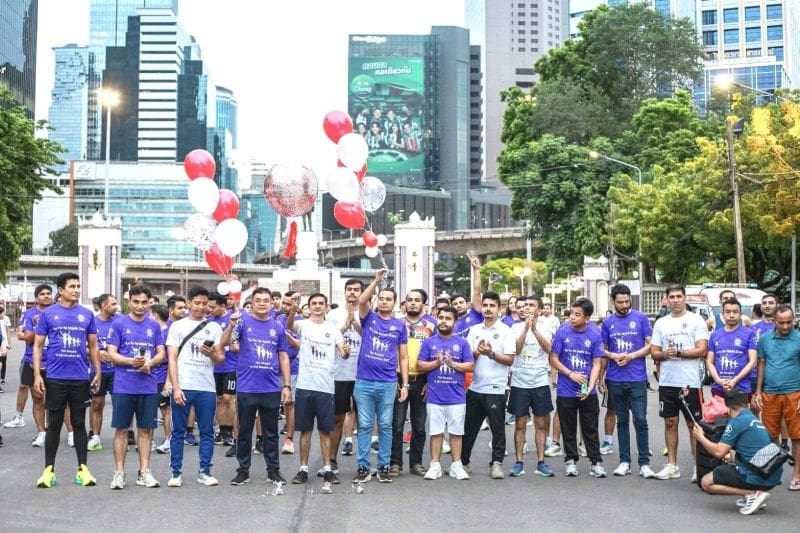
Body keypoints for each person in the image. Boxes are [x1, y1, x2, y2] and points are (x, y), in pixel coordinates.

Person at [33, 272, 101, 488]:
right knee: (53, 424)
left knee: (79, 424)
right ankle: (48, 471)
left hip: (80, 377)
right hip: (55, 377)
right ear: (61, 290)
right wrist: (37, 375)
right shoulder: (48, 314)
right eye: (72, 286)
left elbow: (93, 345)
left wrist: (97, 371)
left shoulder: (86, 314)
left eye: (78, 286)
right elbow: (37, 345)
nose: (76, 290)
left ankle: (83, 470)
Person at [286, 293, 349, 493]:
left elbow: (343, 352)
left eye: (321, 303)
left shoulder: (333, 329)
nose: (317, 306)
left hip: (325, 388)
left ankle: (328, 468)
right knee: (305, 430)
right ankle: (303, 469)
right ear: (309, 306)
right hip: (305, 386)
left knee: (325, 431)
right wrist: (292, 310)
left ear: (326, 307)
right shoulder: (303, 325)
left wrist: (346, 351)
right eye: (314, 303)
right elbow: (290, 326)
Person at [229, 287, 291, 487]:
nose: (262, 304)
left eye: (266, 300)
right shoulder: (242, 322)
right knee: (244, 431)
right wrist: (234, 341)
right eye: (258, 300)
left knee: (271, 433)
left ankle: (273, 470)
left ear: (272, 303)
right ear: (252, 303)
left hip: (271, 388)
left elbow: (283, 356)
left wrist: (287, 385)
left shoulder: (277, 327)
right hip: (247, 387)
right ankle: (243, 470)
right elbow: (233, 345)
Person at [352, 268, 409, 484]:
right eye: (382, 299)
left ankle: (384, 466)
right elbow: (362, 300)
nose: (384, 302)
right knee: (365, 425)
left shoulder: (399, 326)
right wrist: (376, 281)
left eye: (389, 299)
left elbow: (403, 356)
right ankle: (363, 466)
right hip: (364, 382)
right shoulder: (369, 318)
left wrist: (405, 385)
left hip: (388, 383)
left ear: (395, 303)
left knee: (385, 425)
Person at [165, 286, 225, 487]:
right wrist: (176, 387)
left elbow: (220, 359)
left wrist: (211, 354)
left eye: (205, 304)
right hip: (184, 385)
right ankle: (176, 472)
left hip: (206, 387)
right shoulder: (177, 326)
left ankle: (205, 471)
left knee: (207, 431)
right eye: (197, 303)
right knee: (178, 431)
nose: (201, 307)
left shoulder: (214, 327)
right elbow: (172, 359)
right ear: (189, 303)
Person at [106, 285, 165, 489]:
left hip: (148, 386)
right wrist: (130, 361)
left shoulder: (154, 326)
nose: (140, 306)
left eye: (144, 302)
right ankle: (119, 473)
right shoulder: (119, 324)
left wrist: (150, 363)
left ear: (149, 303)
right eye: (136, 302)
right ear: (129, 302)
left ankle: (144, 472)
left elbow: (161, 353)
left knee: (146, 430)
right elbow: (111, 353)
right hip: (123, 386)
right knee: (122, 430)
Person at [650, 284, 710, 482]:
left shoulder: (696, 320)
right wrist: (665, 354)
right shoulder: (661, 323)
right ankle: (672, 466)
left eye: (678, 296)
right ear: (666, 300)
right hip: (668, 381)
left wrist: (680, 353)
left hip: (690, 383)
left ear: (684, 298)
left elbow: (702, 350)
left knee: (694, 425)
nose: (675, 300)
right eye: (672, 297)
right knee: (670, 422)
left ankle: (698, 467)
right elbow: (654, 352)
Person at [693, 389, 784, 515]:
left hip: (759, 476)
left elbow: (719, 452)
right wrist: (732, 457)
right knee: (730, 465)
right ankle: (754, 495)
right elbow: (750, 449)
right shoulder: (753, 418)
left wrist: (701, 437)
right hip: (772, 474)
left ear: (728, 409)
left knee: (706, 482)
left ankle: (752, 494)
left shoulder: (736, 422)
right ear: (747, 405)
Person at [601, 284, 654, 478]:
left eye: (626, 301)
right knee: (622, 420)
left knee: (640, 419)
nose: (624, 305)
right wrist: (612, 358)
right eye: (620, 302)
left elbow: (651, 346)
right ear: (613, 301)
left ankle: (644, 463)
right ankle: (624, 462)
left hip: (637, 378)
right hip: (615, 378)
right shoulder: (607, 322)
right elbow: (602, 350)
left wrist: (631, 356)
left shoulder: (641, 318)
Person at [549, 298, 606, 478]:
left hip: (587, 390)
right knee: (568, 427)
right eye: (572, 313)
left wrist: (590, 386)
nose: (572, 317)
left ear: (586, 318)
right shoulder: (562, 331)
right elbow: (553, 358)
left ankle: (596, 463)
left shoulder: (595, 334)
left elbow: (597, 363)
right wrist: (570, 374)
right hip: (566, 389)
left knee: (591, 427)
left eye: (577, 315)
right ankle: (571, 461)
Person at [462, 291, 516, 479]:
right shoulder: (474, 330)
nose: (488, 309)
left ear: (499, 308)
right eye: (485, 305)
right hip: (475, 387)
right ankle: (463, 463)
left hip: (496, 388)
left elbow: (510, 359)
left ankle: (497, 463)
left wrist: (491, 354)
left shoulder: (506, 331)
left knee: (497, 429)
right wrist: (477, 352)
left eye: (492, 306)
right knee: (468, 428)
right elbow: (467, 358)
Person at [417, 306, 474, 480]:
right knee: (436, 433)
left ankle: (456, 465)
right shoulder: (429, 342)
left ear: (455, 322)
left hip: (456, 397)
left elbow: (470, 366)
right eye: (440, 317)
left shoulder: (462, 343)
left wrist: (452, 364)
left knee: (456, 433)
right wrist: (436, 363)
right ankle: (435, 466)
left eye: (448, 318)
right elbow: (419, 365)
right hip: (435, 396)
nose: (443, 321)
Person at [508, 295, 558, 477]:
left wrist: (535, 330)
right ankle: (518, 462)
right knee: (520, 423)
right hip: (519, 381)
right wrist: (525, 330)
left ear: (539, 309)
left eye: (531, 305)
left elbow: (549, 349)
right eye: (525, 305)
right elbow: (516, 350)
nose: (526, 308)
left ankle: (541, 462)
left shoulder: (546, 326)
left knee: (540, 423)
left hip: (539, 381)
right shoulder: (515, 327)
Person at [754, 304, 800, 491]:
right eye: (782, 323)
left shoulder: (798, 338)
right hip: (770, 393)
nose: (786, 326)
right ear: (774, 321)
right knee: (770, 435)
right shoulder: (765, 339)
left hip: (794, 393)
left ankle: (797, 475)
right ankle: (773, 473)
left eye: (789, 322)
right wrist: (758, 392)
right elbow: (761, 364)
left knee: (797, 436)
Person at [391, 289, 436, 477]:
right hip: (398, 379)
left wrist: (430, 381)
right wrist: (392, 378)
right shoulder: (396, 324)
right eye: (409, 300)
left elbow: (436, 353)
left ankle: (416, 463)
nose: (413, 303)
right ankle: (395, 463)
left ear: (423, 304)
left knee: (419, 425)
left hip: (422, 380)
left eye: (417, 300)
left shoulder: (432, 325)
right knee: (397, 424)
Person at [5, 285, 52, 439]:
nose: (46, 296)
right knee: (35, 395)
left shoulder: (57, 312)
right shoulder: (30, 314)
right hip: (32, 361)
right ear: (37, 297)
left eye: (49, 293)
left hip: (55, 362)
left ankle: (61, 430)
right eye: (43, 294)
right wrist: (38, 325)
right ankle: (38, 430)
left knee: (56, 398)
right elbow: (26, 338)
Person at [327, 279, 363, 466]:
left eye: (356, 290)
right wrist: (344, 326)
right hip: (339, 374)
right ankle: (331, 460)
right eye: (349, 289)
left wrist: (355, 323)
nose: (352, 293)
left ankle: (364, 463)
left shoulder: (368, 314)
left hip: (363, 374)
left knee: (364, 420)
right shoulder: (334, 314)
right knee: (337, 418)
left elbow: (371, 338)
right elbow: (326, 338)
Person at [707, 298, 758, 400]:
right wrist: (718, 380)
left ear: (740, 314)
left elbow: (752, 362)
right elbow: (709, 361)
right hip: (719, 388)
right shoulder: (715, 335)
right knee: (719, 412)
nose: (731, 315)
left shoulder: (749, 334)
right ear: (723, 314)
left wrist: (735, 380)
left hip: (741, 388)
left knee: (739, 411)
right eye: (728, 312)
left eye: (735, 312)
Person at [87, 293, 118, 452]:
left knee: (120, 405)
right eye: (113, 304)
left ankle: (122, 436)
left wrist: (113, 355)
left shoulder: (119, 322)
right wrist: (97, 353)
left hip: (117, 372)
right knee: (97, 404)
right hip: (97, 371)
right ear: (103, 306)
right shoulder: (92, 322)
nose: (116, 307)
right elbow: (84, 346)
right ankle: (95, 437)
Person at [208, 292, 237, 448]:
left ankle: (231, 431)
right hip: (215, 367)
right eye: (209, 307)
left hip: (231, 366)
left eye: (213, 307)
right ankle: (222, 431)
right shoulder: (209, 322)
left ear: (223, 306)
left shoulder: (233, 319)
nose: (210, 310)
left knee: (228, 398)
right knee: (219, 399)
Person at [277, 291, 302, 455]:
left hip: (293, 366)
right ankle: (263, 439)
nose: (286, 306)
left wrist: (286, 336)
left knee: (289, 403)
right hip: (274, 366)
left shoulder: (302, 321)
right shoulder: (277, 318)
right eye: (284, 303)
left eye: (289, 303)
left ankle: (289, 439)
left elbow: (300, 345)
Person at [149, 304, 172, 454]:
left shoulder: (169, 332)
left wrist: (169, 381)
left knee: (165, 409)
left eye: (150, 315)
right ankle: (148, 440)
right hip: (149, 376)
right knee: (149, 409)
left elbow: (172, 359)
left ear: (156, 315)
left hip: (162, 377)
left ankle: (169, 440)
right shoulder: (151, 331)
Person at [451, 252, 483, 338]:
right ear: (451, 307)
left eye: (461, 302)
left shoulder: (475, 313)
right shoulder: (450, 324)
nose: (458, 305)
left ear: (468, 304)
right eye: (455, 304)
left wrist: (476, 270)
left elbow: (477, 292)